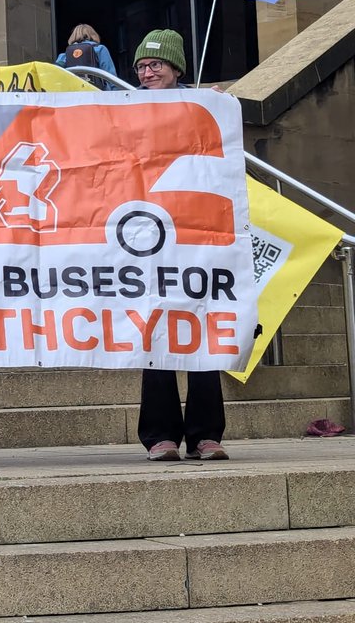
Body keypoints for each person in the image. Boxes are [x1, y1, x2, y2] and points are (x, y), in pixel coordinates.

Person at [131, 28, 228, 462]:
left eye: (155, 64)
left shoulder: (203, 106)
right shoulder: (124, 105)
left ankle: (206, 434)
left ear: (176, 69)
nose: (147, 72)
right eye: (141, 66)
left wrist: (219, 106)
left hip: (195, 233)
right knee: (155, 333)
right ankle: (160, 435)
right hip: (145, 237)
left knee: (201, 329)